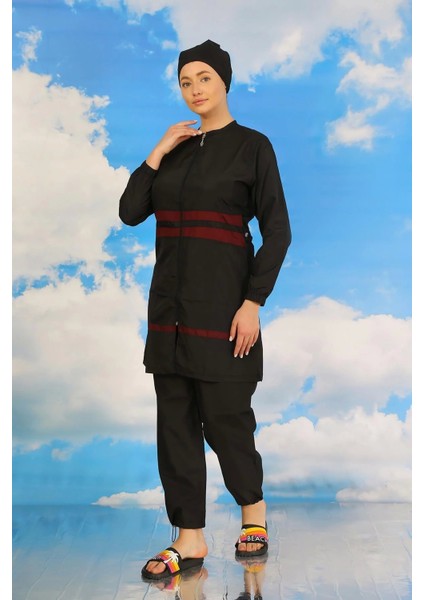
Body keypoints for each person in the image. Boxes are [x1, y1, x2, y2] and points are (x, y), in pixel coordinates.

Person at [119, 39, 291, 582]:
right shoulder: (173, 150)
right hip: (168, 314)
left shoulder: (252, 147)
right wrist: (158, 150)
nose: (194, 89)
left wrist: (253, 302)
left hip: (224, 310)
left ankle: (253, 515)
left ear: (225, 81)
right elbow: (130, 212)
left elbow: (278, 232)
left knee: (226, 419)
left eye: (204, 78)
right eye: (185, 81)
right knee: (174, 426)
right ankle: (189, 538)